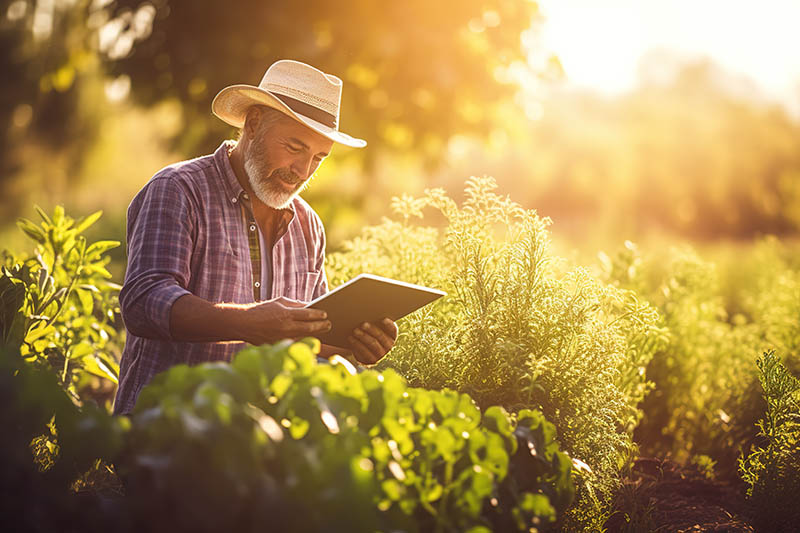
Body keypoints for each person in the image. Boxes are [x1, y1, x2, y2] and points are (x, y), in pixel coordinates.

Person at [113, 60, 398, 415]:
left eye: (318, 158)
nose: (303, 171)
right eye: (295, 148)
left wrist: (353, 346)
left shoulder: (309, 226)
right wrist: (247, 323)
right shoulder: (178, 190)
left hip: (258, 448)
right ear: (253, 123)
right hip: (167, 436)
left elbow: (307, 339)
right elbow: (143, 302)